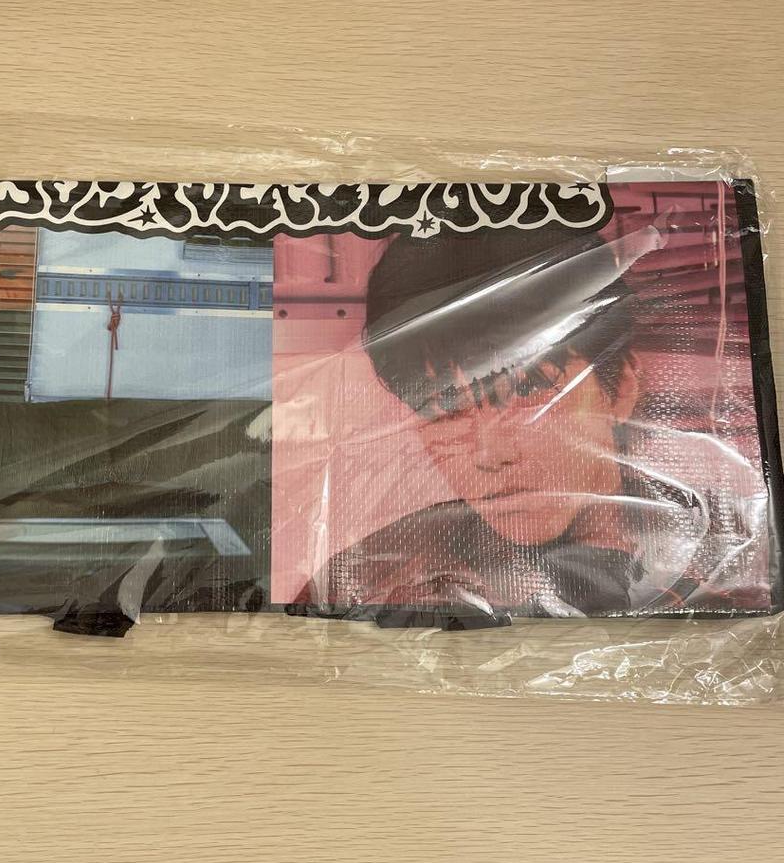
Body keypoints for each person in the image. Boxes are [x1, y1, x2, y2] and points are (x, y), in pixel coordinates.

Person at [295, 220, 746, 621]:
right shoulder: (361, 580)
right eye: (442, 408)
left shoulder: (741, 551)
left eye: (530, 389)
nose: (490, 454)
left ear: (622, 384)